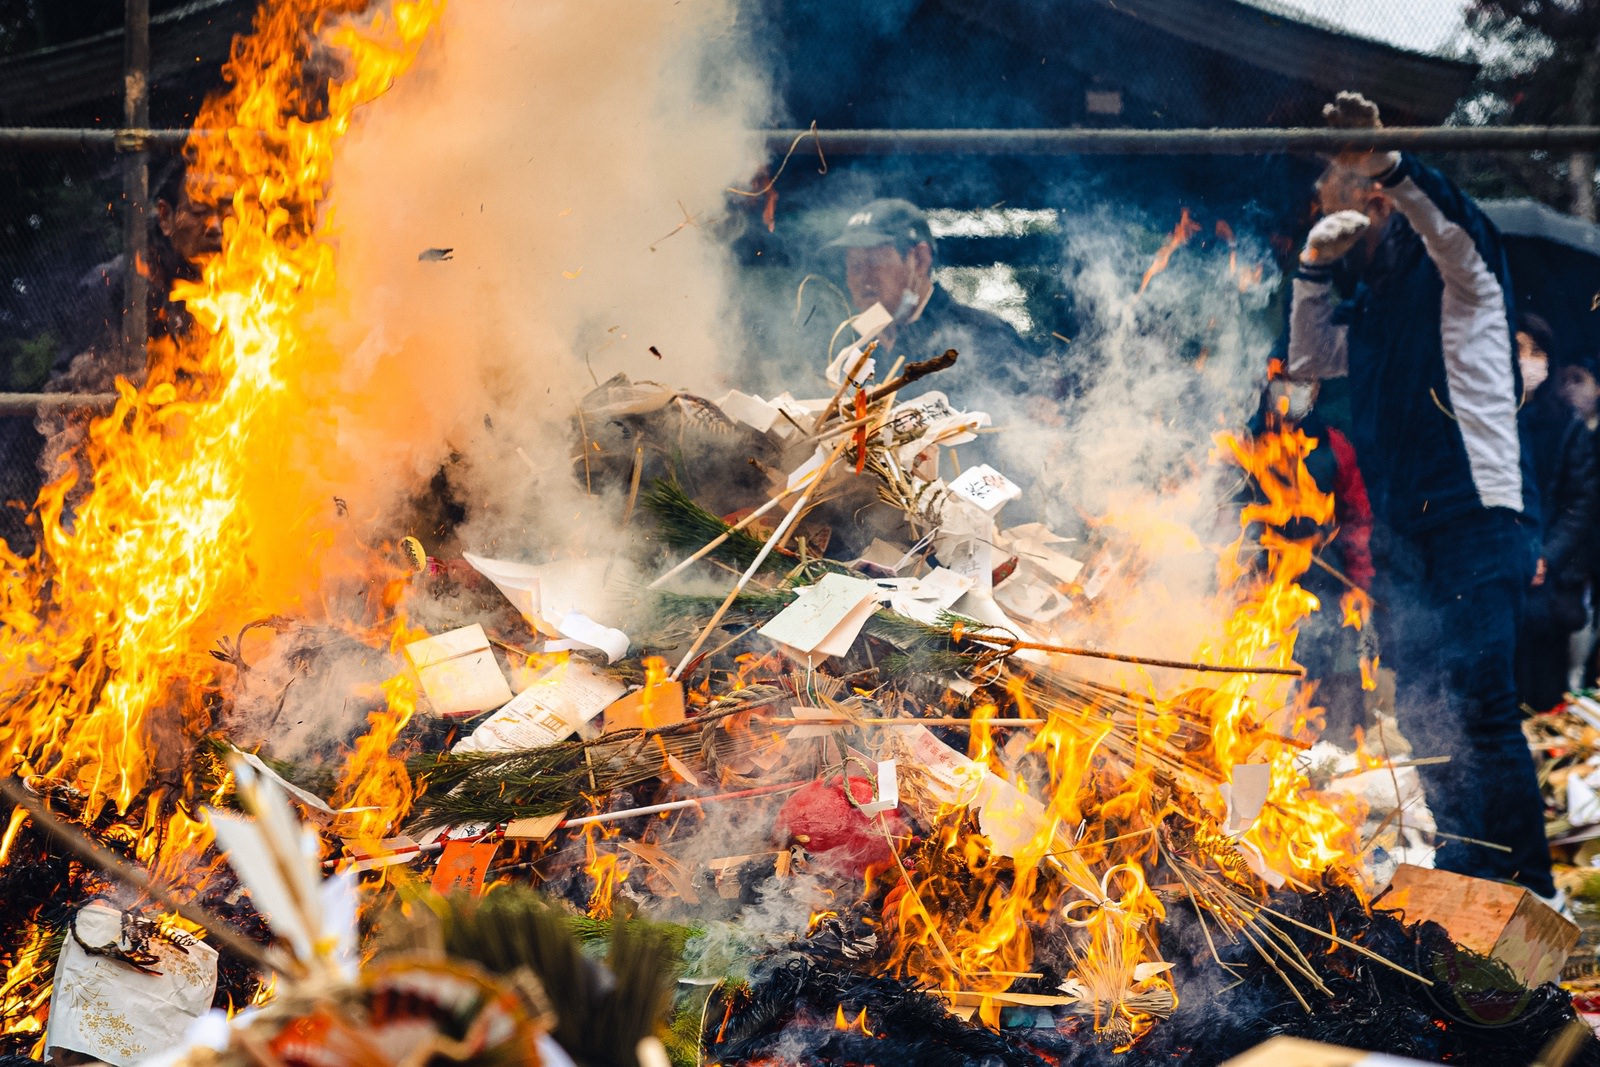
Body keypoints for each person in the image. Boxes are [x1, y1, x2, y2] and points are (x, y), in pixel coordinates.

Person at [1283, 93, 1555, 900]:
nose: (1320, 203)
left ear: (1371, 199)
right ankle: (1466, 874)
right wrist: (1311, 267)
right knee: (1428, 709)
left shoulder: (1466, 280)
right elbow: (1307, 359)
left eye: (1330, 190)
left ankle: (1528, 885)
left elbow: (1450, 228)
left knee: (1482, 701)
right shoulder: (1366, 305)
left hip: (1478, 515)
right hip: (1406, 531)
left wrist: (1389, 162)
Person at [38, 159, 224, 491]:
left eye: (227, 210)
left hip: (210, 469)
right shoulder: (116, 285)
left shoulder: (252, 291)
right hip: (121, 479)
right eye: (199, 210)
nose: (215, 225)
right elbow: (70, 393)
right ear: (165, 217)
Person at [1244, 378, 1375, 745]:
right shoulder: (1246, 440)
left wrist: (1359, 580)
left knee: (1315, 667)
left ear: (1316, 388)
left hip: (1320, 577)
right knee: (1259, 671)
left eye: (1303, 381)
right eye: (1285, 379)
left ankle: (1308, 752)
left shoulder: (1333, 444)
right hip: (1259, 577)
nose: (1292, 389)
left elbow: (1356, 517)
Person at [824, 198, 1039, 401]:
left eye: (874, 261)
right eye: (854, 265)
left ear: (919, 260)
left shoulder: (983, 335)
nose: (862, 278)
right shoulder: (849, 348)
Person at [1514, 315, 1596, 711]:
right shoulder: (1488, 421)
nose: (1528, 361)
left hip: (1550, 582)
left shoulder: (1567, 425)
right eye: (1518, 350)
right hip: (1499, 571)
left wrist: (1549, 555)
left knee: (1545, 694)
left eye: (1537, 351)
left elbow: (1581, 502)